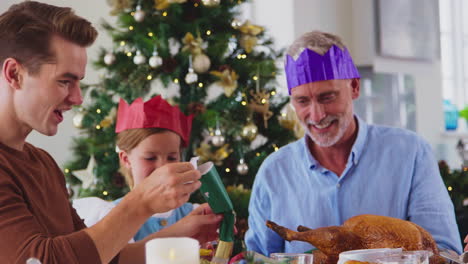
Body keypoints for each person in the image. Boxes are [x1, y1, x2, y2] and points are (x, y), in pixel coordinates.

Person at [0, 2, 222, 263]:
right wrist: (141, 203)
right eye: (64, 81)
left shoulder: (43, 163)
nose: (78, 98)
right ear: (14, 73)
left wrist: (181, 235)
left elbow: (101, 257)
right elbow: (40, 260)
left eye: (78, 83)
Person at [245, 30, 462, 255]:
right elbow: (258, 259)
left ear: (355, 87)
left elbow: (444, 252)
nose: (317, 115)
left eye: (327, 97)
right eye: (302, 101)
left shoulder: (411, 153)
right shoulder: (274, 172)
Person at [74, 95, 204, 242]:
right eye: (150, 158)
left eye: (172, 158)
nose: (163, 167)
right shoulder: (110, 218)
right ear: (126, 159)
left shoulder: (193, 214)